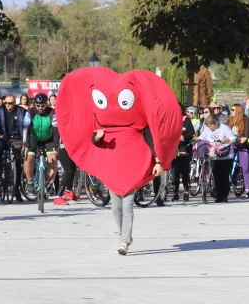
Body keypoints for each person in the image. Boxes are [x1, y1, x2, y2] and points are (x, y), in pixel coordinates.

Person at [56, 68, 182, 256]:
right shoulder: (101, 121)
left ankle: (124, 240)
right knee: (115, 207)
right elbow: (93, 142)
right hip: (112, 165)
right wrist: (96, 138)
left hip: (135, 161)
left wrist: (157, 161)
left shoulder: (140, 122)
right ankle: (125, 236)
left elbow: (150, 140)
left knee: (128, 203)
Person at [0, 94, 26, 201]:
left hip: (17, 138)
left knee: (19, 163)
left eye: (9, 103)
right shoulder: (0, 110)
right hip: (3, 136)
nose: (7, 105)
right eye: (5, 103)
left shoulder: (21, 111)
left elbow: (27, 124)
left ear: (14, 103)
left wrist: (26, 135)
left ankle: (16, 190)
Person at [23, 93, 59, 197]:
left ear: (47, 104)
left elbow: (56, 130)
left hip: (48, 139)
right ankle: (30, 182)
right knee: (28, 157)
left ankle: (51, 184)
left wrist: (56, 145)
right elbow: (26, 128)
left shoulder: (52, 112)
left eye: (43, 105)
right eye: (38, 105)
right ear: (34, 104)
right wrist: (25, 145)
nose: (40, 108)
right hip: (33, 138)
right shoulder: (30, 112)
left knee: (53, 159)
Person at [199, 116, 236, 203]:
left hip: (225, 155)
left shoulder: (224, 128)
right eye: (208, 126)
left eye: (211, 126)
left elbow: (233, 138)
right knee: (216, 176)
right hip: (214, 155)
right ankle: (219, 196)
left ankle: (224, 195)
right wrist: (198, 140)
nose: (210, 128)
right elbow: (201, 137)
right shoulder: (207, 129)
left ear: (216, 123)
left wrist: (226, 139)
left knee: (224, 176)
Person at [228, 104, 249, 197]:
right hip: (233, 145)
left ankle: (247, 189)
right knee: (227, 162)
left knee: (244, 167)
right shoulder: (230, 121)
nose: (231, 111)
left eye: (233, 110)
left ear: (238, 111)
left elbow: (247, 134)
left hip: (243, 146)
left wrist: (244, 138)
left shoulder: (246, 120)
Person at [172, 104, 195, 202]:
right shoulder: (171, 119)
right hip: (173, 150)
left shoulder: (186, 119)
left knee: (184, 173)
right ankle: (175, 193)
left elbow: (192, 133)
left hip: (184, 149)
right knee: (174, 174)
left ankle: (186, 192)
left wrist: (184, 137)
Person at [54, 137, 80, 205]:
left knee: (73, 169)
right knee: (68, 171)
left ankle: (68, 191)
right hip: (63, 148)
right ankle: (58, 196)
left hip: (72, 147)